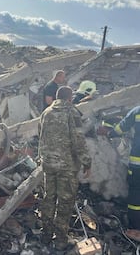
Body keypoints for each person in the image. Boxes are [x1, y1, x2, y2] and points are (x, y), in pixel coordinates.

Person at [38, 86, 91, 251]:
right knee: (65, 202)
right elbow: (78, 141)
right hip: (66, 166)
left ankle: (45, 235)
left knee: (48, 198)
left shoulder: (46, 112)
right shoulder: (72, 113)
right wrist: (87, 162)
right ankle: (60, 240)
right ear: (70, 98)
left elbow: (41, 136)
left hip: (48, 164)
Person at [108, 106, 140, 229]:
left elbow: (120, 129)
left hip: (137, 164)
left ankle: (135, 226)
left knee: (136, 194)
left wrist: (109, 133)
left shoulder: (137, 111)